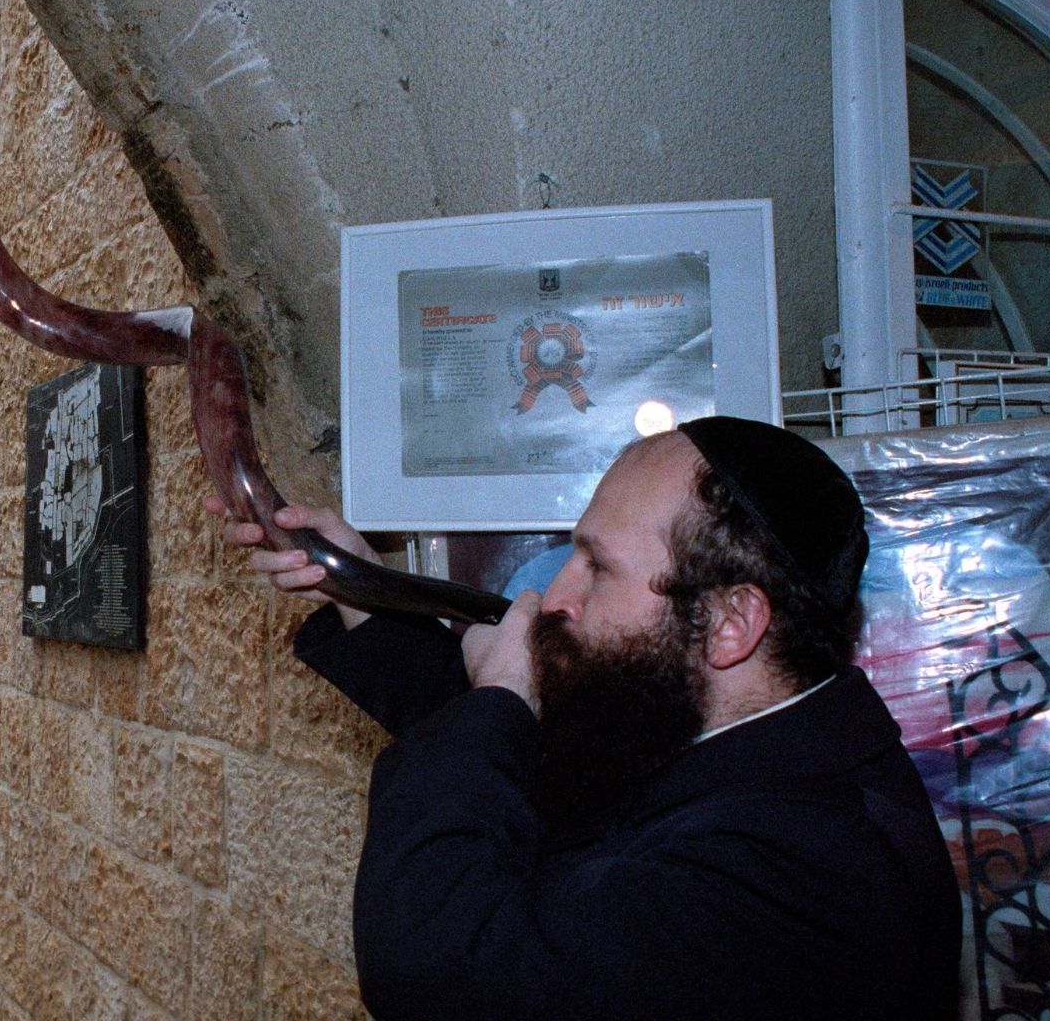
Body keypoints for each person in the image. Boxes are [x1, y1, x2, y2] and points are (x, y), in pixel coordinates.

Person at [210, 417, 960, 1020]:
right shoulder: (716, 727)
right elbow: (541, 750)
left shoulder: (811, 877)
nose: (551, 597)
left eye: (598, 568)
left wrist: (497, 701)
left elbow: (433, 966)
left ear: (732, 622)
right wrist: (356, 584)